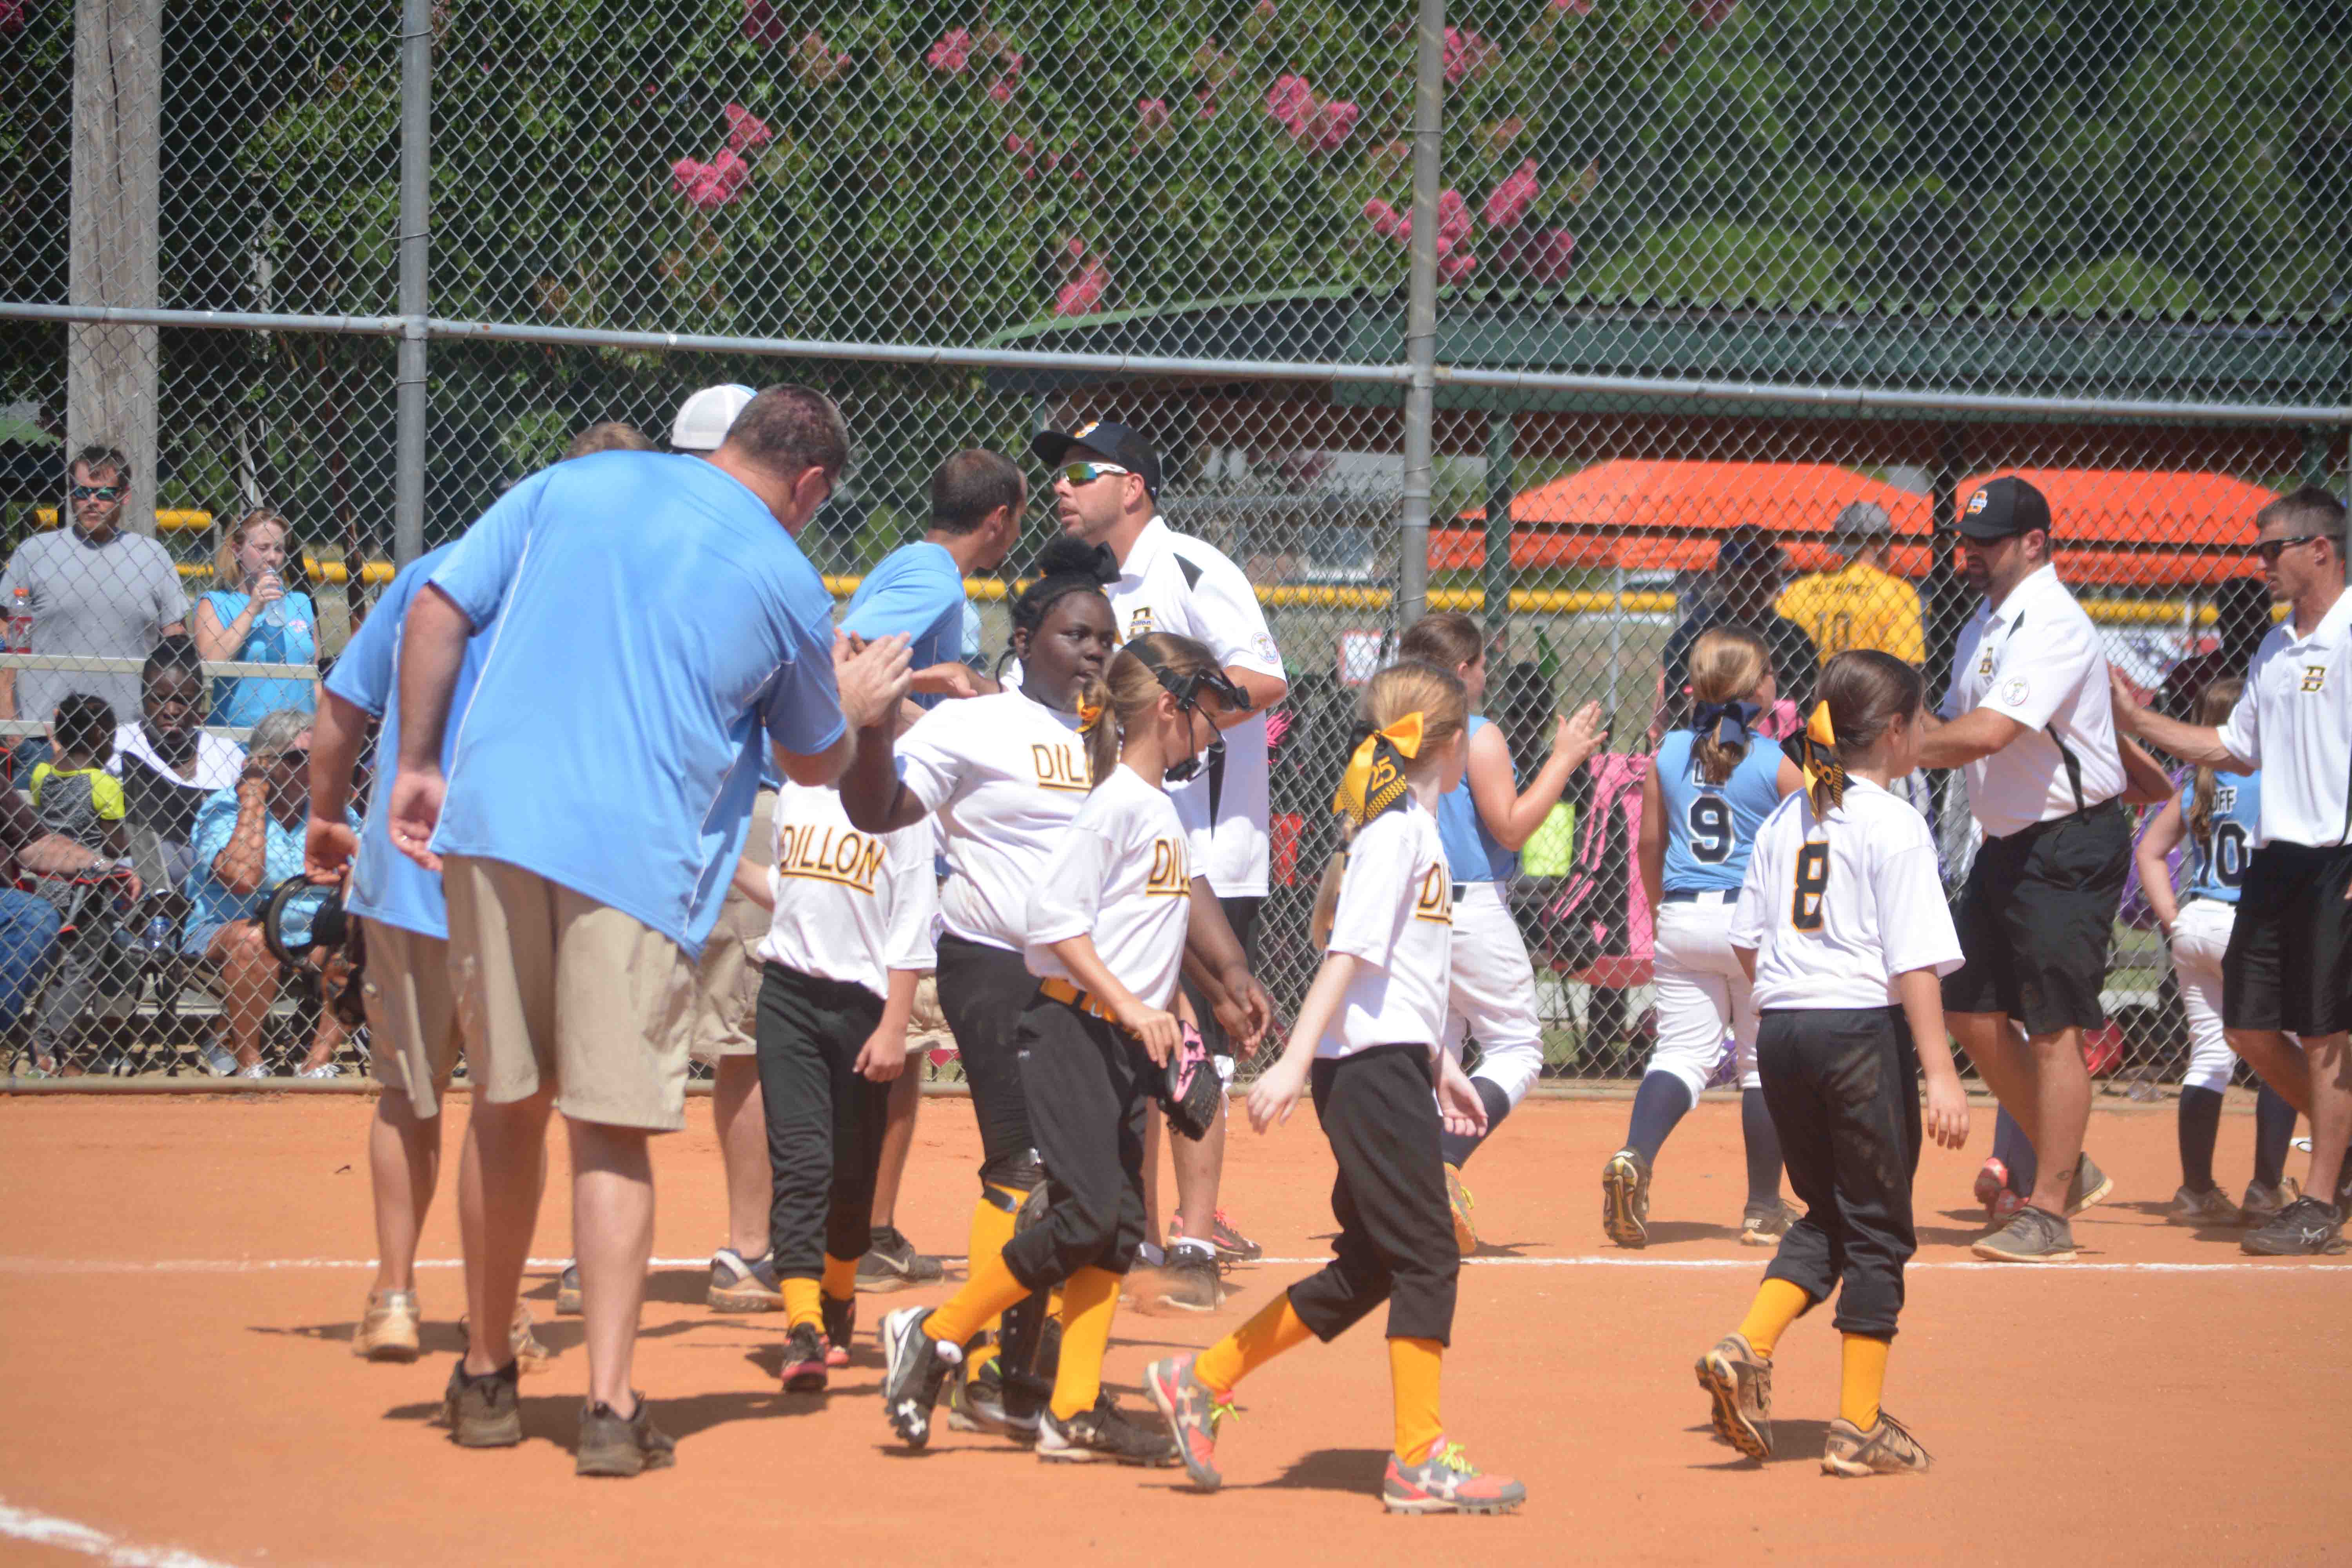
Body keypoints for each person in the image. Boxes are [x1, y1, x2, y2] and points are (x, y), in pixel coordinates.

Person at [386, 384, 913, 1479]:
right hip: (632, 856)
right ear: (811, 484)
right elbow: (812, 761)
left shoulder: (571, 482)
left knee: (505, 1105)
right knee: (610, 1126)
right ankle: (611, 1404)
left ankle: (484, 1373)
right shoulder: (783, 573)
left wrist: (419, 763)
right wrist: (856, 700)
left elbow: (435, 607)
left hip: (494, 821)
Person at [838, 537, 1263, 1438]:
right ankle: (978, 1360)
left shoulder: (1116, 748)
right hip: (1002, 965)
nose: (1095, 651)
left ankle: (1044, 1382)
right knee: (1029, 1169)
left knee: (1099, 1207)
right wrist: (873, 727)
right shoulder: (977, 724)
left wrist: (1224, 972)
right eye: (1076, 634)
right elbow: (877, 810)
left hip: (1111, 995)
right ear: (1025, 639)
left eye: (1107, 638)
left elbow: (1165, 874)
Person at [1144, 661, 1524, 1514]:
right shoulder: (1397, 834)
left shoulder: (1411, 830)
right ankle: (1419, 1459)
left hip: (1390, 1063)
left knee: (1375, 1264)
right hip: (1366, 1073)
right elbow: (1346, 956)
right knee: (1428, 1254)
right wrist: (1292, 1060)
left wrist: (1441, 1065)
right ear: (1449, 745)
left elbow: (1400, 977)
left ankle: (1200, 1378)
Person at [1693, 652, 1969, 1477]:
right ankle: (1858, 1425)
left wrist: (1796, 996)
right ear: (1894, 731)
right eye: (1920, 720)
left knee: (1829, 1215)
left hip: (1782, 1029)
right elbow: (1914, 961)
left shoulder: (1791, 814)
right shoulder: (1893, 820)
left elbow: (1748, 941)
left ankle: (1748, 1344)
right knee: (1879, 1226)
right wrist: (1941, 1071)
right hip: (1858, 1033)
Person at [1034, 417, 1284, 1308]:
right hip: (1129, 843)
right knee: (1128, 1034)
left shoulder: (1191, 569)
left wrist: (1181, 709)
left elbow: (1267, 679)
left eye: (1081, 473)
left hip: (1208, 843)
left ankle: (1195, 1238)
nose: (1061, 488)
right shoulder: (1095, 586)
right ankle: (1133, 1231)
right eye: (1059, 476)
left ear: (1132, 486)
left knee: (1195, 1047)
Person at [305, 541, 550, 1371]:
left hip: (407, 865)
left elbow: (342, 707)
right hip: (522, 873)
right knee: (510, 1102)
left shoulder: (433, 573)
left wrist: (327, 815)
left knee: (408, 1090)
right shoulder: (590, 572)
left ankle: (395, 1296)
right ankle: (497, 1314)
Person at [2111, 485, 2352, 1256]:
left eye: (2272, 548)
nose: (2261, 564)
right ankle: (2342, 1143)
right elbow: (2232, 748)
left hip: (2337, 858)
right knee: (2248, 1028)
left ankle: (2320, 1200)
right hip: (2276, 862)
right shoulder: (2275, 647)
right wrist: (2137, 721)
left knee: (2325, 1035)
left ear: (2321, 548)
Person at [1917, 476, 2130, 1264]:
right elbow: (1949, 720)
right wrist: (1879, 715)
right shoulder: (1985, 621)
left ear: (2035, 543)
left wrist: (1892, 749)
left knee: (2053, 1029)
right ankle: (2067, 1160)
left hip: (2069, 843)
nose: (1969, 554)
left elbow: (1988, 733)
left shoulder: (2054, 621)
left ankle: (2049, 1211)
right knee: (1966, 1006)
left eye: (1988, 542)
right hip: (2006, 842)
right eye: (1966, 541)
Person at [838, 447, 1031, 1294]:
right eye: (1018, 515)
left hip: (881, 808)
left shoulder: (910, 563)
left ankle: (860, 1226)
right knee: (900, 1034)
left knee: (893, 1035)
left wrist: (927, 703)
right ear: (997, 520)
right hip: (889, 821)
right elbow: (848, 656)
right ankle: (864, 1231)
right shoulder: (933, 578)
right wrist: (935, 694)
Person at [1396, 612, 1604, 1250]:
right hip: (1470, 907)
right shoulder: (1476, 734)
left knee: (1441, 1049)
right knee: (1517, 1048)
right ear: (1463, 670)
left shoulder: (1391, 729)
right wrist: (1564, 759)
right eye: (1482, 665)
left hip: (1410, 905)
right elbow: (1510, 828)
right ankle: (1441, 1163)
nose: (1487, 676)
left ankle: (1411, 1191)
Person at [739, 769, 937, 1392]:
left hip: (864, 1008)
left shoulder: (898, 802)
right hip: (787, 997)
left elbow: (912, 919)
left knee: (853, 1174)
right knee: (801, 1161)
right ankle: (802, 1325)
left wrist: (895, 1027)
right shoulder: (796, 790)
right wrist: (725, 864)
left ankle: (839, 1295)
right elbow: (789, 890)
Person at [1609, 628, 1806, 1249]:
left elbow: (1649, 844)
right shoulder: (1774, 760)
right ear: (1756, 689)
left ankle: (1636, 1155)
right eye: (1769, 674)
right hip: (1753, 925)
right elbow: (1821, 833)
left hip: (1684, 915)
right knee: (1759, 1065)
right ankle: (1762, 1207)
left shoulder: (1669, 751)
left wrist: (1662, 909)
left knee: (1680, 1055)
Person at [2129, 676, 2303, 1227]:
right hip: (2245, 925)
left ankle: (2196, 1191)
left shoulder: (2197, 781)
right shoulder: (2269, 775)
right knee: (2284, 1054)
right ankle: (2266, 1188)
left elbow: (2149, 852)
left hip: (2197, 921)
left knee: (2209, 1056)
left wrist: (2173, 920)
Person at [185, 708, 356, 1079]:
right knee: (253, 939)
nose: (309, 767)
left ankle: (315, 1063)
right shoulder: (224, 808)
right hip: (227, 929)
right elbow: (242, 878)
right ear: (264, 763)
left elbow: (367, 876)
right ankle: (250, 1063)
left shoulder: (331, 812)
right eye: (296, 758)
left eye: (317, 757)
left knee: (362, 940)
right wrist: (253, 797)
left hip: (313, 934)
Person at [0, 446, 189, 731]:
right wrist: (8, 714)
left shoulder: (152, 556)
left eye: (104, 493)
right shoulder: (35, 553)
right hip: (46, 729)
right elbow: (10, 639)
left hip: (129, 730)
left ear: (124, 495)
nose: (91, 502)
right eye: (81, 491)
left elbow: (176, 641)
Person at [25, 693, 139, 1076]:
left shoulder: (42, 773)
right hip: (89, 891)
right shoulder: (103, 784)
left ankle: (92, 1043)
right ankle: (49, 1043)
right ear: (99, 736)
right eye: (111, 736)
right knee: (80, 968)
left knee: (97, 963)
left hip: (50, 884)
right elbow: (116, 845)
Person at [1652, 524, 1820, 742]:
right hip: (1707, 746)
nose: (1757, 575)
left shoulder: (1792, 638)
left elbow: (1809, 708)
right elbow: (1678, 709)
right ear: (1724, 572)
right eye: (1747, 566)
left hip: (1778, 745)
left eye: (1766, 565)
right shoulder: (1693, 635)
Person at [110, 636, 247, 897]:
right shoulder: (119, 746)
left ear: (199, 703)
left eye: (183, 700)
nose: (171, 710)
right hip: (141, 882)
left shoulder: (225, 753)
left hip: (214, 885)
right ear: (144, 698)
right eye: (159, 699)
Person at [193, 508, 319, 728]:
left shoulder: (300, 603)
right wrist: (252, 609)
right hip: (239, 738)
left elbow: (314, 678)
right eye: (263, 548)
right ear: (237, 551)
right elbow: (211, 663)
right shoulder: (216, 603)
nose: (272, 558)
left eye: (279, 549)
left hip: (298, 739)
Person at [1775, 503, 1926, 664]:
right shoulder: (1897, 593)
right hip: (1867, 679)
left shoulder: (1799, 590)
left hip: (1811, 678)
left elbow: (1778, 645)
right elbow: (1906, 664)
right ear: (1880, 545)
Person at [2157, 575, 2275, 724]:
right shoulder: (2190, 674)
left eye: (2254, 619)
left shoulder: (2282, 670)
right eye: (2239, 618)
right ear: (2223, 625)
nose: (2248, 629)